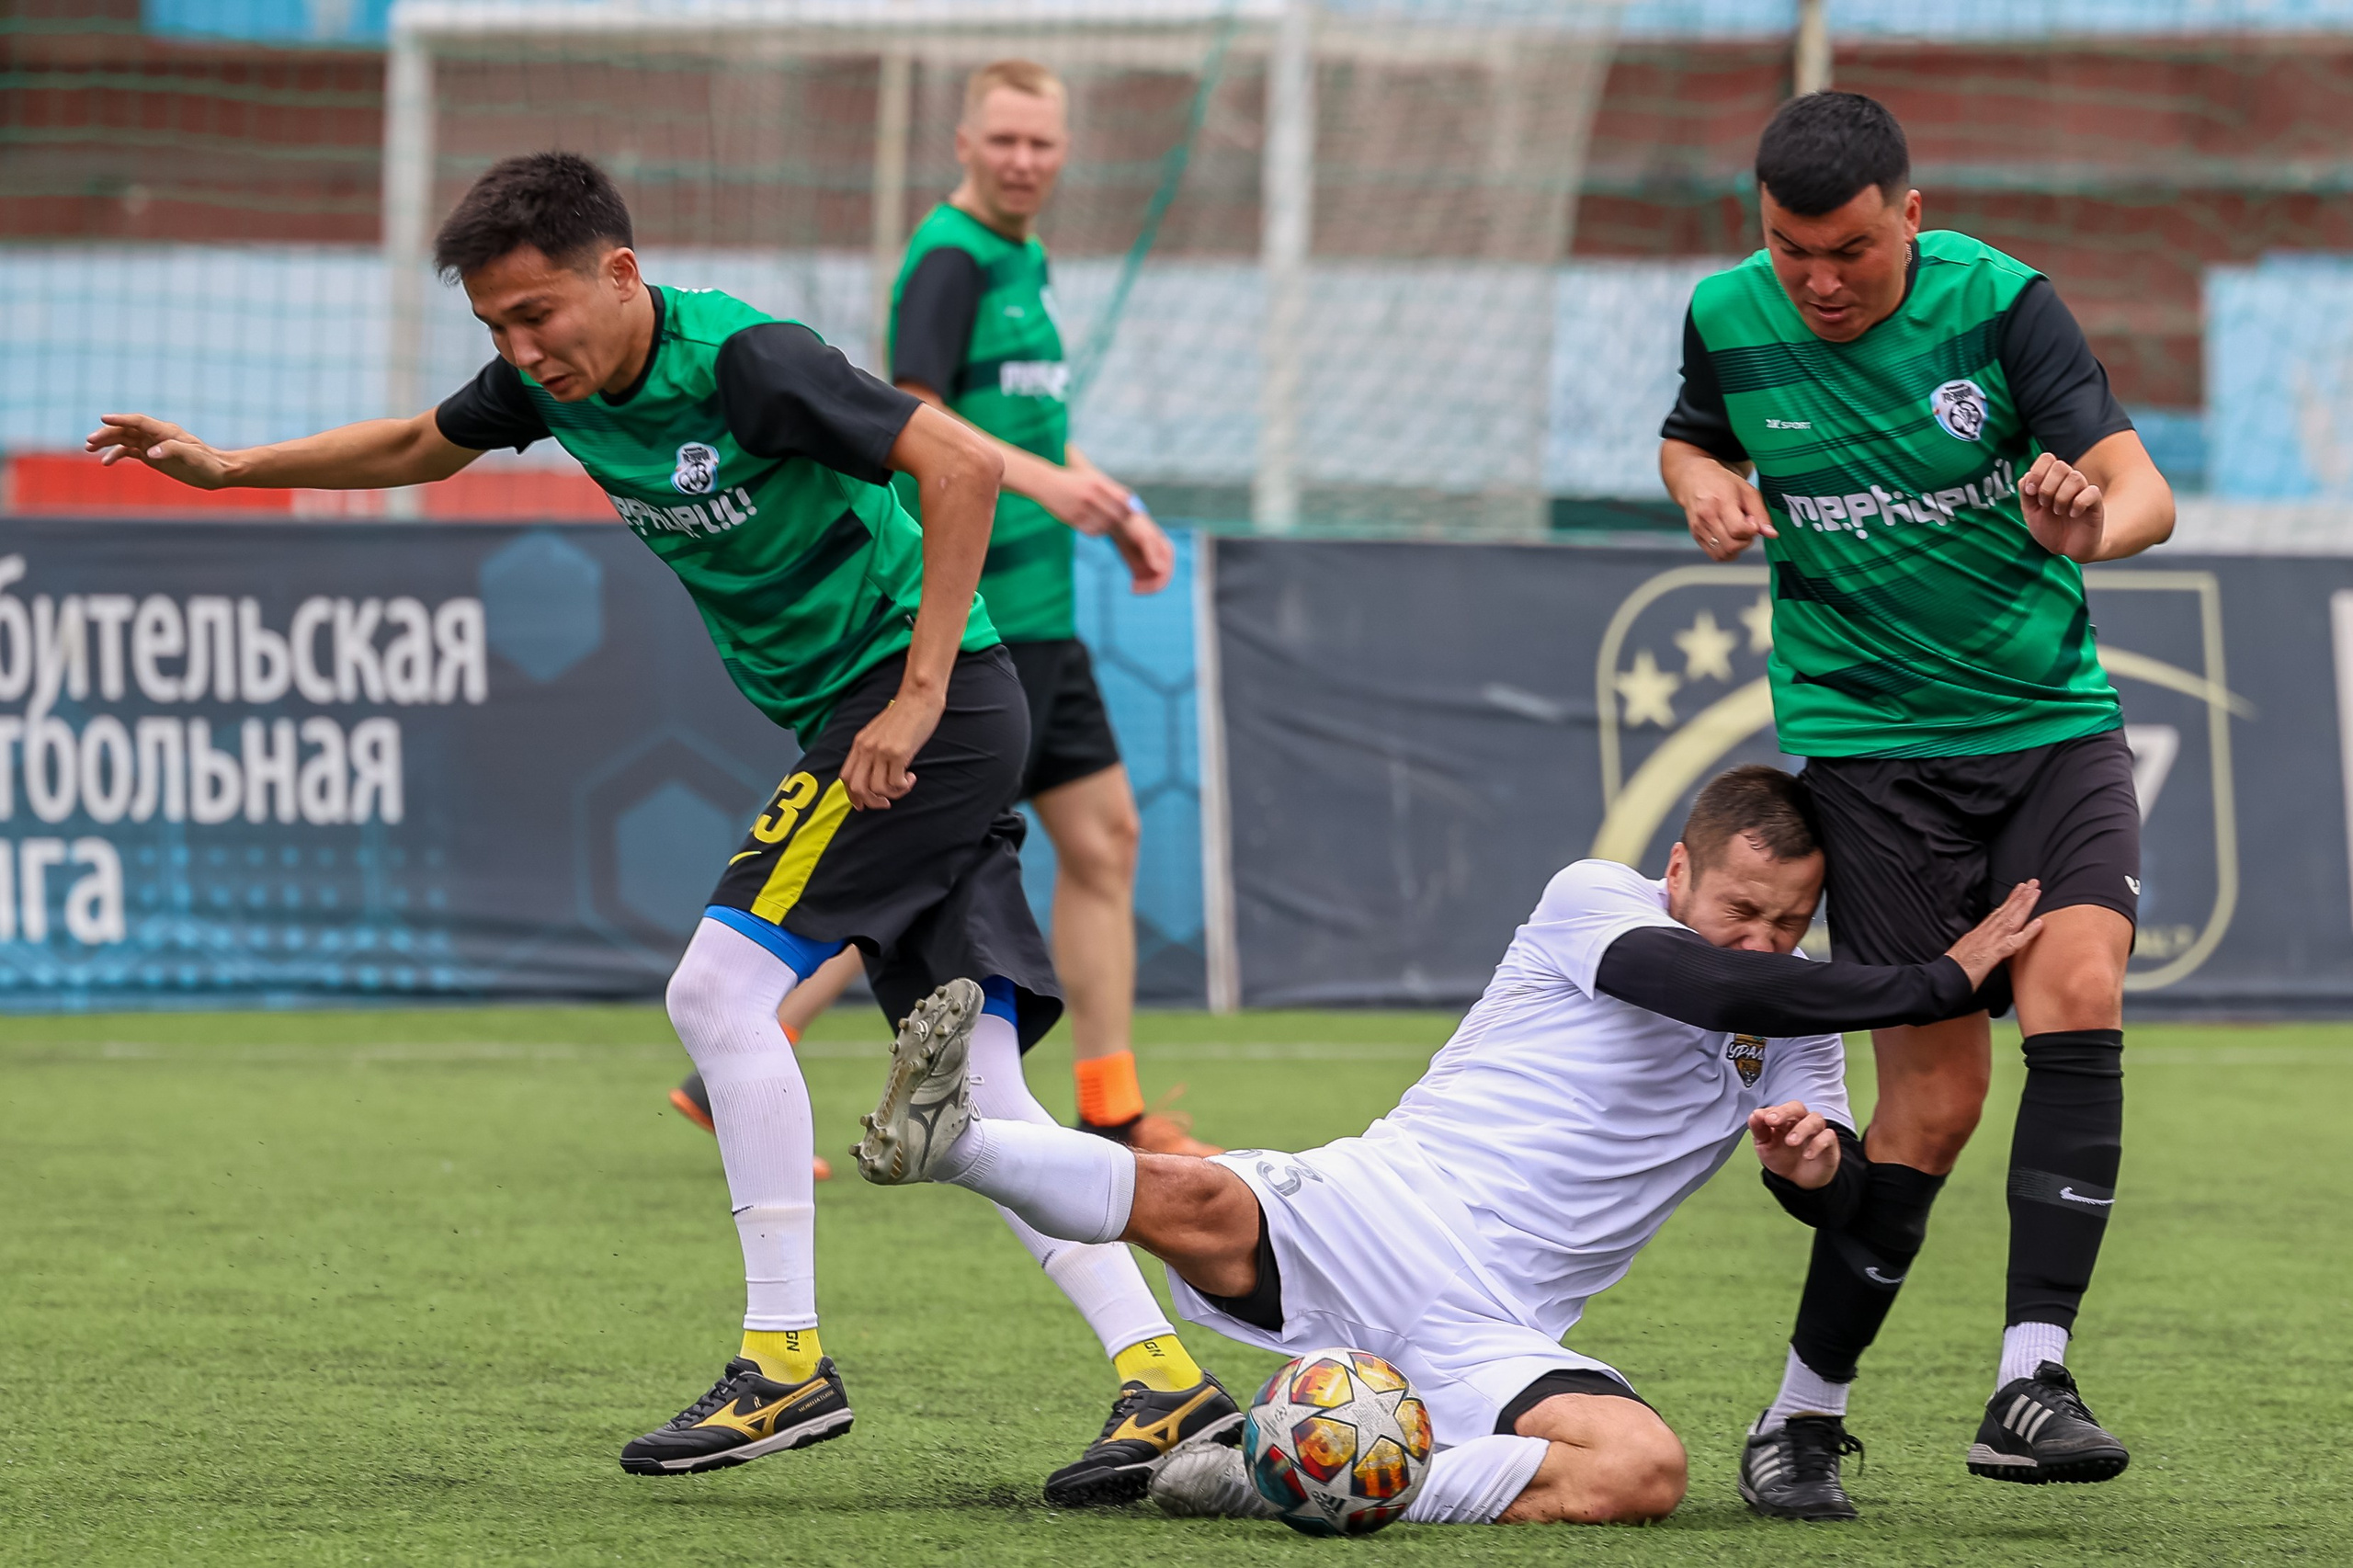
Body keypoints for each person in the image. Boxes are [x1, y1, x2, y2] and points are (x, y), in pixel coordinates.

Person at [83, 150, 1236, 1501]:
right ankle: (1167, 1384)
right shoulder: (537, 383)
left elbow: (965, 467)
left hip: (918, 712)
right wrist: (226, 468)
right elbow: (416, 445)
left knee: (718, 989)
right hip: (879, 720)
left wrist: (917, 699)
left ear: (619, 274)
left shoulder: (751, 363)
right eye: (496, 329)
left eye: (538, 316)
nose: (521, 351)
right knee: (982, 1098)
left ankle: (785, 1357)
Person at [853, 767, 2046, 1528]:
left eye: (1792, 922)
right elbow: (1687, 973)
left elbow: (1830, 1184)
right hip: (1384, 1199)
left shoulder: (1794, 1019)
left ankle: (1284, 1474)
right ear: (1678, 867)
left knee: (1640, 1471)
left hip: (1496, 1324)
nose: (1769, 939)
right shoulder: (1600, 899)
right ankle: (951, 1140)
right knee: (1197, 1197)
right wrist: (1937, 979)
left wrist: (1816, 1165)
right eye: (1744, 908)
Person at [1656, 91, 2174, 1517]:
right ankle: (1804, 1412)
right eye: (1791, 248)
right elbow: (1692, 435)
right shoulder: (1725, 311)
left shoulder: (2003, 306)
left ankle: (2032, 1379)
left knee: (2081, 981)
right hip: (1873, 755)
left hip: (2048, 726)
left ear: (1912, 217)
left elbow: (2143, 488)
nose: (1819, 278)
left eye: (1853, 250)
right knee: (1932, 1102)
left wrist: (2093, 524)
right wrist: (1702, 485)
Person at [671, 58, 1211, 1157]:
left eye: (1041, 143)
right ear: (963, 143)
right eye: (1003, 140)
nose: (1023, 160)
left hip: (1046, 603)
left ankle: (1110, 1102)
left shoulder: (1022, 256)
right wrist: (1047, 486)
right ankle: (734, 1047)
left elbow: (1034, 431)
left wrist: (1103, 500)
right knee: (911, 853)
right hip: (979, 619)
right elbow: (916, 410)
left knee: (1105, 837)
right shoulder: (950, 258)